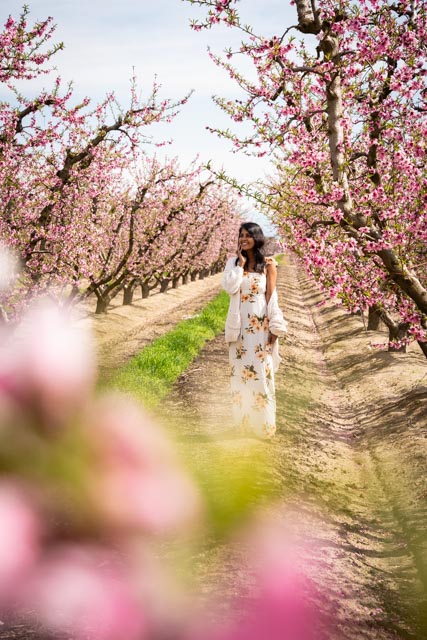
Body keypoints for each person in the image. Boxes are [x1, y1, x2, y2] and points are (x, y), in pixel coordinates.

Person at [222, 222, 288, 439]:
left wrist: (275, 327)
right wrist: (240, 266)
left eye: (248, 235)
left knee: (261, 375)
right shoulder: (233, 263)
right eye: (241, 235)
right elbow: (229, 288)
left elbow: (271, 297)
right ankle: (242, 425)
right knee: (240, 377)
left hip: (260, 329)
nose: (244, 238)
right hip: (239, 329)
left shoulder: (269, 264)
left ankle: (264, 427)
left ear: (257, 238)